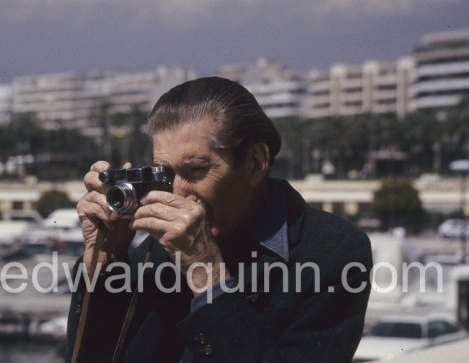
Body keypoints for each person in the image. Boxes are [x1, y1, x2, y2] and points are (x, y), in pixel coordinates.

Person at [67, 77, 373, 363]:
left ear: (256, 163)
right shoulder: (162, 245)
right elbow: (94, 355)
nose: (179, 193)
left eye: (197, 170)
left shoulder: (335, 253)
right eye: (167, 174)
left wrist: (209, 276)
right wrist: (104, 260)